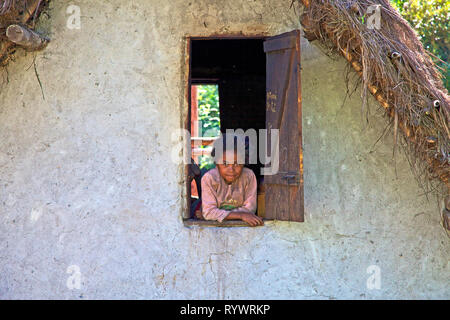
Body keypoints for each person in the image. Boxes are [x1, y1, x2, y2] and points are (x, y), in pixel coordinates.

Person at [199, 134, 264, 227]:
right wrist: (241, 215)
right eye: (225, 164)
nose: (231, 170)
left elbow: (250, 208)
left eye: (237, 164)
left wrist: (217, 214)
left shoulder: (249, 176)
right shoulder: (209, 178)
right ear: (216, 163)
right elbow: (208, 213)